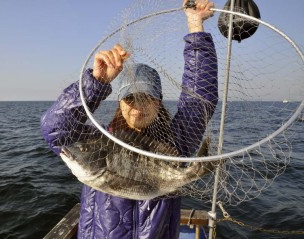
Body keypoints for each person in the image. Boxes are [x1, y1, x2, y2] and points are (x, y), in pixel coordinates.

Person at [40, 0, 218, 238]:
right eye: (130, 99)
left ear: (158, 101)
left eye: (147, 98)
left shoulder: (176, 143)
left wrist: (195, 24)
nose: (138, 107)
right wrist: (97, 82)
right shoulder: (102, 138)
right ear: (120, 102)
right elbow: (55, 128)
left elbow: (200, 98)